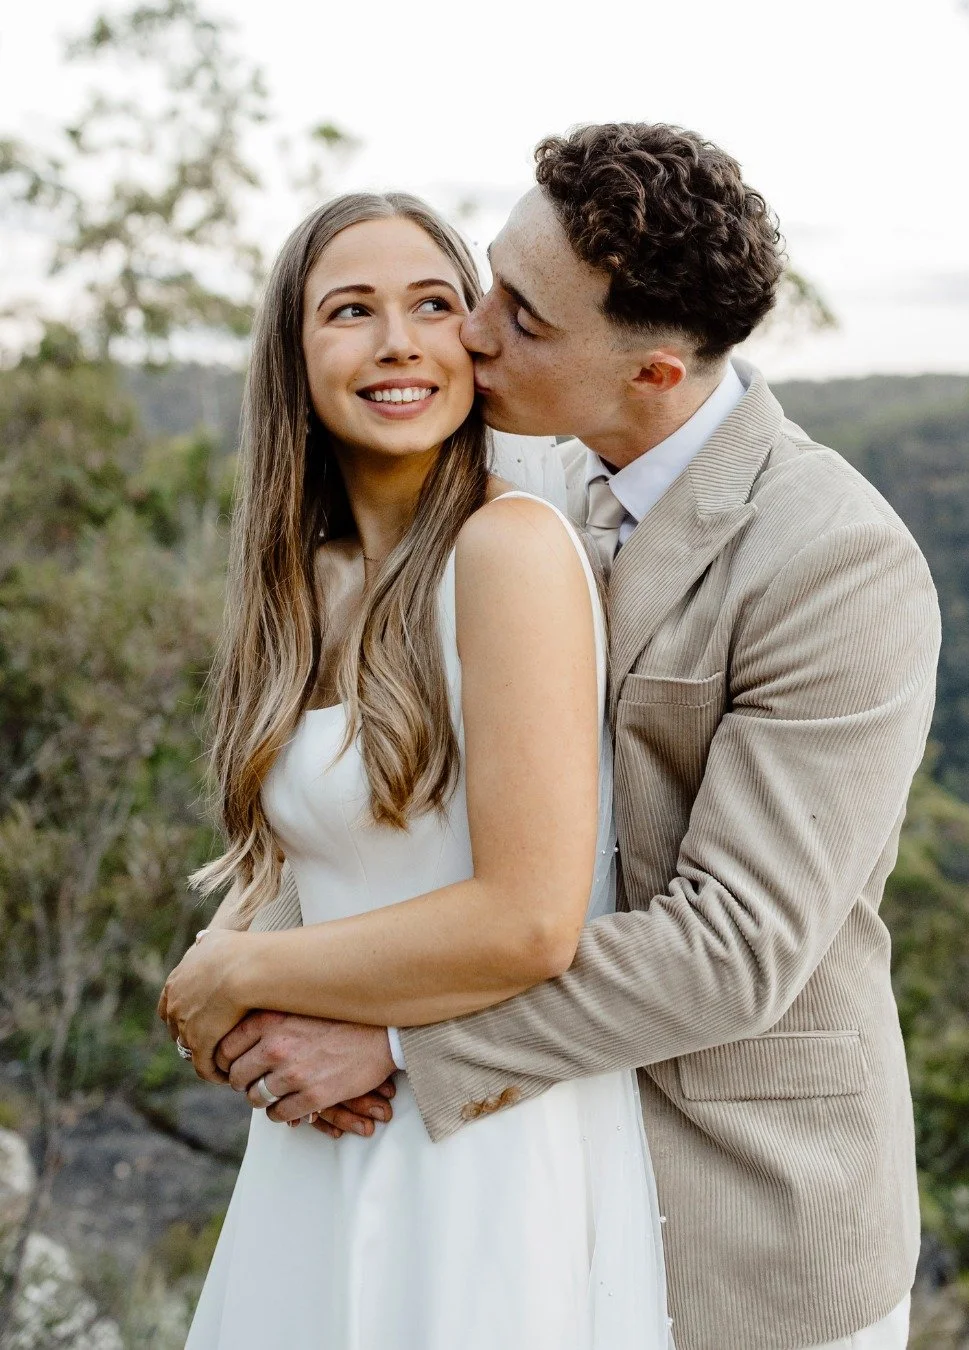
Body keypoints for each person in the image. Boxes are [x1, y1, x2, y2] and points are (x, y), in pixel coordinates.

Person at [165, 123, 941, 1350]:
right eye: (486, 279)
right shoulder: (514, 488)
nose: (468, 333)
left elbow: (729, 952)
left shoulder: (836, 561)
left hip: (748, 1221)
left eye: (519, 320)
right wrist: (240, 955)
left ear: (652, 376)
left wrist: (394, 1040)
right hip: (517, 1179)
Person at [160, 190, 671, 1349]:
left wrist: (244, 967)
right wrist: (251, 1017)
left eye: (433, 304)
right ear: (294, 358)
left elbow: (530, 922)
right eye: (351, 310)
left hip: (478, 1151)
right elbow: (325, 857)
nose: (398, 341)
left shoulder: (509, 551)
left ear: (475, 338)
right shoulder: (308, 579)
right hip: (320, 1137)